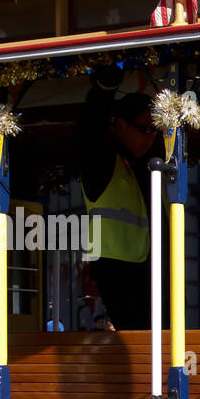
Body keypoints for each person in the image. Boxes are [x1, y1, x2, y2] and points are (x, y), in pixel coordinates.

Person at [80, 67, 160, 331]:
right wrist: (104, 89)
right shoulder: (103, 166)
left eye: (154, 130)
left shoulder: (136, 166)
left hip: (140, 266)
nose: (151, 137)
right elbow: (91, 133)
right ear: (121, 126)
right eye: (144, 128)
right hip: (115, 269)